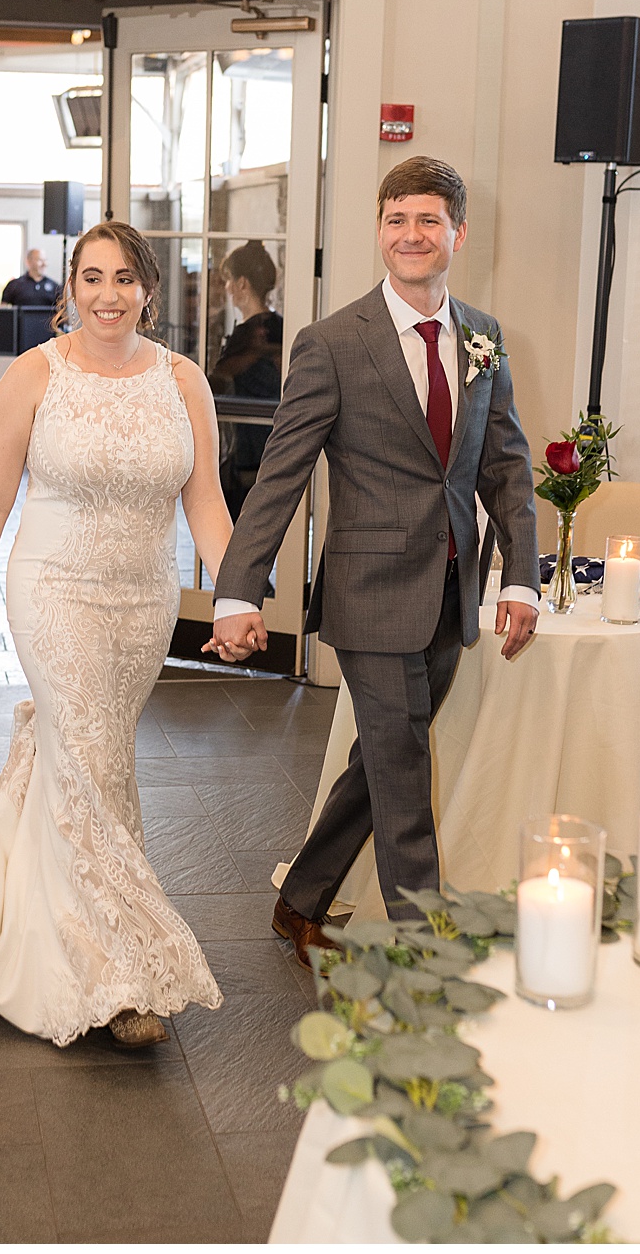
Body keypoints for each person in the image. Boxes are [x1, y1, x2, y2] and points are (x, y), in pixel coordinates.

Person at [0, 221, 231, 1049]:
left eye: (124, 278)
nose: (108, 294)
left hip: (142, 602)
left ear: (149, 290)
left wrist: (234, 601)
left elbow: (206, 507)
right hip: (53, 591)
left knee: (93, 756)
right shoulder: (34, 375)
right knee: (88, 753)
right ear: (70, 289)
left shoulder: (185, 381)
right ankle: (120, 980)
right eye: (92, 278)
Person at [209, 156, 539, 960]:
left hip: (452, 592)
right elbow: (281, 475)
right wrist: (237, 593)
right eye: (397, 219)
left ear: (457, 233)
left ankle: (302, 898)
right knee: (401, 770)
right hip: (368, 594)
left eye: (429, 220)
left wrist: (524, 575)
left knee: (381, 762)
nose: (412, 234)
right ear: (379, 232)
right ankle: (427, 960)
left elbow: (505, 466)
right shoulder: (331, 345)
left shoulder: (484, 338)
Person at [210, 240, 285, 515]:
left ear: (242, 283)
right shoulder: (279, 326)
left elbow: (215, 382)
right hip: (270, 447)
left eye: (229, 280)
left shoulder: (248, 335)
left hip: (249, 451)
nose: (227, 288)